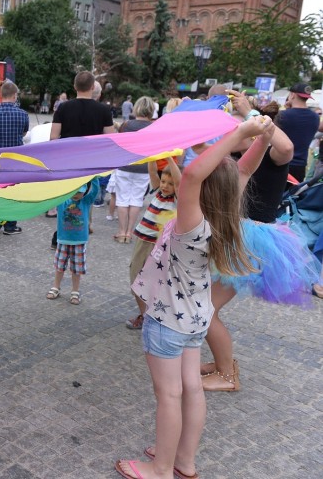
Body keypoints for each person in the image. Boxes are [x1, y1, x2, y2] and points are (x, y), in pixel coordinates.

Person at [115, 115, 272, 479]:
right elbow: (238, 170)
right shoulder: (223, 211)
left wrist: (240, 133)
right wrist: (260, 140)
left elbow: (192, 175)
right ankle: (183, 460)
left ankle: (161, 468)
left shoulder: (191, 219)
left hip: (168, 320)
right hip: (196, 317)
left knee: (169, 395)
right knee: (191, 390)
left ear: (200, 186)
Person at [199, 92, 301, 392]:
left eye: (239, 127)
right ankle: (222, 365)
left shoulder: (272, 154)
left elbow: (287, 146)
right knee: (205, 306)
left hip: (251, 240)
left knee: (205, 310)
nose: (234, 133)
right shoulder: (234, 158)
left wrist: (248, 112)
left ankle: (227, 374)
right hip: (231, 236)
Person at [48, 73, 114, 232]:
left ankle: (61, 232)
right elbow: (110, 139)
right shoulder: (104, 110)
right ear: (93, 87)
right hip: (91, 161)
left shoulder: (63, 107)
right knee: (88, 194)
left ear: (74, 86)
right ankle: (83, 226)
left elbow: (53, 137)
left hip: (67, 160)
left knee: (66, 195)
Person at [125, 158, 181, 330]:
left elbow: (179, 181)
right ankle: (145, 315)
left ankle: (154, 317)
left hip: (159, 247)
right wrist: (155, 155)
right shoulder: (157, 191)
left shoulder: (177, 199)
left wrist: (171, 158)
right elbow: (152, 171)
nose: (165, 186)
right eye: (163, 181)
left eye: (169, 184)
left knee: (157, 282)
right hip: (143, 241)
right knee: (135, 277)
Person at [0, 80, 29, 234]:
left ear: (0, 95)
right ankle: (10, 226)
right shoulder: (23, 114)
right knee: (13, 193)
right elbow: (24, 133)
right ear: (15, 95)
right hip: (15, 161)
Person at [47, 179, 99, 305]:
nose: (76, 194)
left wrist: (94, 177)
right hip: (63, 240)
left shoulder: (86, 202)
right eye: (74, 191)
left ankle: (75, 291)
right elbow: (55, 190)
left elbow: (95, 191)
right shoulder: (62, 201)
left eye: (79, 192)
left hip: (79, 242)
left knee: (77, 269)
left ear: (84, 191)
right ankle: (56, 287)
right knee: (60, 267)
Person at [113, 97, 156, 243]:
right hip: (144, 168)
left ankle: (121, 231)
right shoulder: (153, 127)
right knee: (136, 200)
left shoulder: (126, 125)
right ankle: (130, 232)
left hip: (124, 166)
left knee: (122, 199)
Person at [277, 83, 319, 184]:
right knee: (292, 197)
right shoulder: (315, 117)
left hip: (281, 163)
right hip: (300, 166)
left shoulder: (283, 115)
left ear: (292, 95)